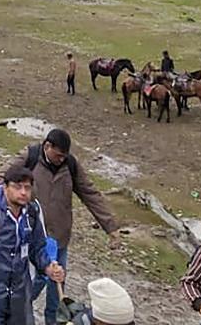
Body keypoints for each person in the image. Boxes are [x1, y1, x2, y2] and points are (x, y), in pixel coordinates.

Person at [8, 129, 118, 325]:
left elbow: (89, 193)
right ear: (47, 146)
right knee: (35, 280)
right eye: (58, 155)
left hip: (59, 237)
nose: (61, 159)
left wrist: (109, 226)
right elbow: (3, 182)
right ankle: (14, 311)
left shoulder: (71, 165)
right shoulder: (29, 157)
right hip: (31, 237)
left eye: (64, 156)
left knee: (57, 283)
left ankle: (53, 321)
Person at [0, 163, 64, 325]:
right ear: (5, 187)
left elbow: (37, 247)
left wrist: (48, 267)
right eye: (18, 187)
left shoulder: (31, 213)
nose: (23, 192)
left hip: (20, 295)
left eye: (27, 188)